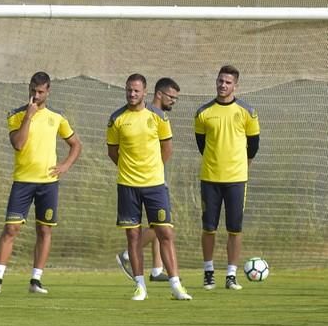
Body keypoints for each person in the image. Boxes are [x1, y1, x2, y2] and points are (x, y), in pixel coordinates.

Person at [0, 71, 82, 295]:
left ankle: (36, 280)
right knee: (11, 228)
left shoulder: (56, 117)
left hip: (48, 183)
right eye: (33, 90)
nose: (36, 95)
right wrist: (28, 116)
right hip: (23, 182)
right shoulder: (16, 115)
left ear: (48, 91)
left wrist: (65, 166)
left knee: (44, 230)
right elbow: (18, 144)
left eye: (40, 92)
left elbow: (76, 144)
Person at [107, 74, 191, 301]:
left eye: (136, 91)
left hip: (155, 186)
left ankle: (176, 285)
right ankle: (140, 286)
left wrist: (151, 170)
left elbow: (167, 149)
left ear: (145, 92)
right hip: (127, 186)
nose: (132, 94)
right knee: (133, 237)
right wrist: (130, 170)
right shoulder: (116, 119)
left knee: (165, 232)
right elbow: (113, 152)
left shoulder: (158, 117)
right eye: (128, 90)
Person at [195, 65, 260, 291]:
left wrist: (241, 167)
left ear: (236, 85)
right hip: (210, 178)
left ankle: (231, 275)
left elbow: (253, 146)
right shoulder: (203, 113)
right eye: (220, 81)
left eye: (228, 82)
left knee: (235, 228)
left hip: (236, 179)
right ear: (216, 82)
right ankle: (208, 272)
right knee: (209, 228)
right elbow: (201, 145)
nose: (223, 85)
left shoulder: (247, 112)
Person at [115, 77, 181, 282]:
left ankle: (156, 269)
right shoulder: (146, 115)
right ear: (158, 94)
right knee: (162, 227)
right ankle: (127, 254)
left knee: (161, 226)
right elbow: (165, 150)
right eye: (171, 96)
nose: (173, 101)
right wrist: (150, 170)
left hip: (154, 177)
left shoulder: (158, 117)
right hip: (150, 180)